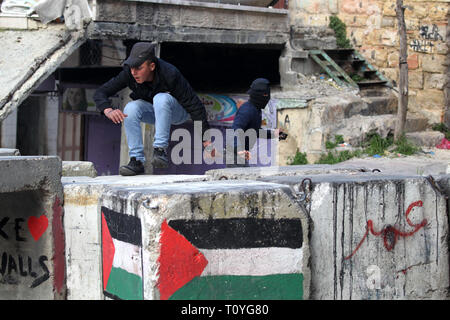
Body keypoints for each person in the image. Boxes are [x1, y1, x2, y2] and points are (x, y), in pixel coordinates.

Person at [94, 42, 212, 176]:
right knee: (130, 108)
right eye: (131, 68)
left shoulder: (170, 73)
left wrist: (206, 140)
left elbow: (195, 106)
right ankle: (136, 160)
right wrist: (108, 110)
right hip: (154, 113)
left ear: (152, 66)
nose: (134, 72)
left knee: (160, 98)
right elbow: (100, 92)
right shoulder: (129, 74)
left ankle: (160, 150)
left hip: (178, 113)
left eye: (138, 68)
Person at [226, 78, 285, 167]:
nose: (267, 98)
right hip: (235, 154)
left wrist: (274, 133)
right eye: (265, 94)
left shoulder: (256, 110)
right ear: (258, 95)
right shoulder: (247, 110)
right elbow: (236, 129)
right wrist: (238, 149)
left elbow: (255, 132)